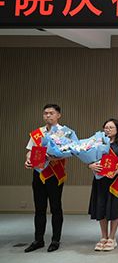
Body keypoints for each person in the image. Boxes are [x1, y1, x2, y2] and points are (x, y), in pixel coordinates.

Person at [24, 104, 75, 253]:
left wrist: (55, 157)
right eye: (45, 113)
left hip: (55, 174)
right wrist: (28, 160)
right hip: (38, 173)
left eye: (51, 113)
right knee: (39, 208)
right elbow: (30, 151)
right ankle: (38, 240)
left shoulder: (65, 132)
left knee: (55, 207)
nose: (48, 115)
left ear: (58, 115)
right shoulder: (37, 133)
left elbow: (71, 150)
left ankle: (55, 240)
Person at [87, 119, 118, 252]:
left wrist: (117, 171)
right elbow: (89, 158)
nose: (108, 130)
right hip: (100, 181)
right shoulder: (97, 143)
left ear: (117, 129)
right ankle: (103, 237)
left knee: (114, 208)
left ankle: (112, 238)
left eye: (111, 127)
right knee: (101, 208)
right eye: (106, 127)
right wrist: (90, 165)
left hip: (115, 180)